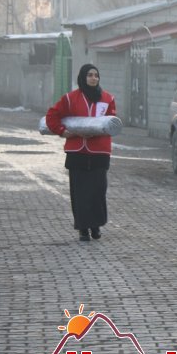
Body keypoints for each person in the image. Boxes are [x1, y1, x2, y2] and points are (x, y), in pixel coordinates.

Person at [46, 64, 117, 242]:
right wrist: (62, 131)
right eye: (90, 75)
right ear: (83, 78)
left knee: (97, 191)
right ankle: (83, 228)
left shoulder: (108, 98)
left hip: (99, 151)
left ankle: (96, 225)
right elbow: (52, 116)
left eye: (96, 75)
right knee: (80, 193)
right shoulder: (70, 99)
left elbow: (111, 122)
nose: (93, 78)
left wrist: (99, 130)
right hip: (77, 152)